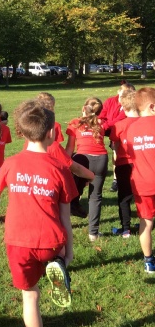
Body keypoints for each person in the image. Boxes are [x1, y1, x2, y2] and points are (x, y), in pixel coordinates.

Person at [0, 100, 77, 327]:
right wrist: (68, 253)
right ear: (51, 133)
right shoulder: (60, 169)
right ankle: (57, 262)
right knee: (55, 250)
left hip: (18, 241)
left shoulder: (11, 164)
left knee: (30, 295)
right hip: (51, 241)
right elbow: (65, 218)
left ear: (22, 133)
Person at [65, 97, 108, 242]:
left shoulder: (75, 123)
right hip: (101, 159)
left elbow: (70, 148)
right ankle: (93, 234)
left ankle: (67, 219)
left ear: (84, 108)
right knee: (95, 197)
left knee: (71, 191)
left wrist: (63, 164)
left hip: (82, 160)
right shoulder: (101, 124)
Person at [125, 87, 155, 273]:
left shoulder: (131, 128)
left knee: (146, 222)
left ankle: (148, 261)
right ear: (152, 106)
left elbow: (131, 156)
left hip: (141, 183)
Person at [109, 90, 139, 238]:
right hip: (142, 164)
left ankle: (126, 229)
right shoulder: (147, 122)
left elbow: (114, 145)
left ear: (124, 108)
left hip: (124, 164)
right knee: (143, 195)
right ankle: (145, 221)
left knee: (124, 197)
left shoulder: (119, 125)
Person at [99, 81, 135, 192]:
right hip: (112, 130)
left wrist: (104, 126)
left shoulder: (128, 105)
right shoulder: (110, 101)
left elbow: (119, 119)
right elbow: (102, 114)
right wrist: (101, 122)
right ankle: (116, 179)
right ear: (119, 92)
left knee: (122, 153)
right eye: (123, 94)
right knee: (115, 152)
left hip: (125, 130)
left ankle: (126, 177)